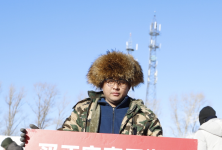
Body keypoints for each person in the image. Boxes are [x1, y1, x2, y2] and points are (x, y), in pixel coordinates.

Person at [20, 50, 162, 144]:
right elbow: (64, 140)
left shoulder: (145, 116)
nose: (116, 87)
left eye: (122, 82)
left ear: (130, 85)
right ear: (101, 83)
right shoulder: (84, 110)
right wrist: (38, 140)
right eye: (110, 81)